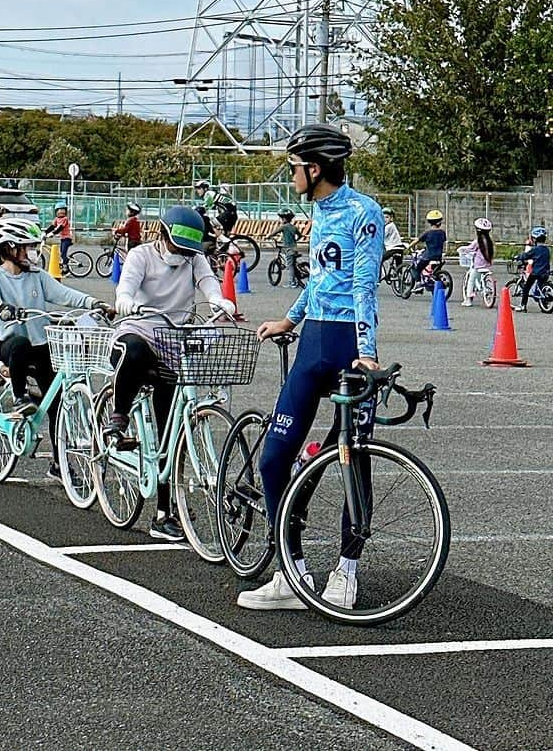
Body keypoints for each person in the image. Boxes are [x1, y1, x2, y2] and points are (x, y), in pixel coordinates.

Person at [238, 123, 381, 612]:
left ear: (314, 168)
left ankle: (347, 570)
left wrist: (368, 350)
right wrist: (289, 319)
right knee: (275, 457)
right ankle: (290, 571)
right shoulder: (318, 213)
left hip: (348, 346)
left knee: (352, 459)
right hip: (313, 343)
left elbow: (364, 286)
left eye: (295, 167)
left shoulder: (364, 211)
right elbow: (321, 279)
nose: (292, 175)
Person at [103, 205, 235, 542]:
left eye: (189, 250)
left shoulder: (194, 259)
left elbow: (208, 283)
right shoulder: (141, 256)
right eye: (178, 247)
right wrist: (125, 299)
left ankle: (164, 513)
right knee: (131, 349)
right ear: (162, 236)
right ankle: (118, 414)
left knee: (169, 432)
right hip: (140, 327)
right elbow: (127, 285)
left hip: (173, 337)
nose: (183, 255)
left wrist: (219, 301)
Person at [0, 219, 96, 480]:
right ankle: (20, 398)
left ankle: (59, 464)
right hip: (10, 345)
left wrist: (94, 303)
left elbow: (64, 294)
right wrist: (2, 308)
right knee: (19, 343)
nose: (32, 253)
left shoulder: (37, 276)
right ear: (10, 248)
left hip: (41, 345)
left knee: (56, 402)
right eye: (27, 248)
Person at [513, 226, 549, 313]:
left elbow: (526, 255)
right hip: (545, 272)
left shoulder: (535, 249)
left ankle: (523, 306)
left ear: (535, 239)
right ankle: (544, 305)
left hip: (536, 272)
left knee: (526, 288)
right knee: (541, 288)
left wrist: (518, 257)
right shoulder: (546, 250)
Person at [462, 218, 495, 307]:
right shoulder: (489, 241)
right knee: (478, 277)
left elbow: (470, 248)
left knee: (471, 280)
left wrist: (462, 249)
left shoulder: (477, 241)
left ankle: (468, 299)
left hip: (478, 265)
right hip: (487, 264)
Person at [412, 210, 447, 285]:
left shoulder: (427, 233)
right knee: (436, 272)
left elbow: (417, 241)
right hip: (439, 257)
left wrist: (409, 247)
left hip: (428, 257)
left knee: (417, 268)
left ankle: (418, 284)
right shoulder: (442, 233)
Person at [270, 209, 301, 288]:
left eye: (282, 218)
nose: (281, 220)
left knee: (289, 266)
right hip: (294, 248)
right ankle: (295, 279)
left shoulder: (283, 227)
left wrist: (268, 236)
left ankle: (292, 283)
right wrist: (296, 240)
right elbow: (300, 235)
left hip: (289, 249)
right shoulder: (294, 227)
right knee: (292, 264)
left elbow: (274, 232)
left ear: (284, 219)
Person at [45, 204, 73, 273]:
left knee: (63, 253)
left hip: (67, 238)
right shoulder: (56, 219)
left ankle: (65, 268)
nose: (61, 211)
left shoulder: (65, 219)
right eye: (59, 210)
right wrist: (45, 232)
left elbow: (60, 228)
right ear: (56, 211)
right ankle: (65, 262)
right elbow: (52, 226)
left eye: (63, 210)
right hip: (62, 238)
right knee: (61, 253)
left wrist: (52, 233)